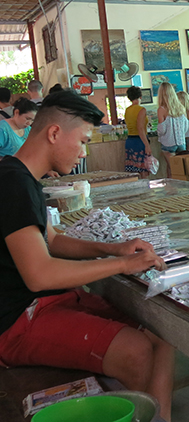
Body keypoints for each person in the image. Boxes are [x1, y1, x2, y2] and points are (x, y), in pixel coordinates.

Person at [0, 90, 174, 419]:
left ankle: (158, 417)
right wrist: (122, 263)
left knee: (163, 330)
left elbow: (51, 239)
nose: (83, 152)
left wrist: (113, 248)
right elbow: (39, 275)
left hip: (47, 304)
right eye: (82, 141)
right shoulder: (12, 184)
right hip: (17, 320)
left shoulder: (25, 179)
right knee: (136, 351)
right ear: (54, 133)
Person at [156, 82, 189, 178]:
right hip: (181, 142)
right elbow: (186, 127)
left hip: (168, 143)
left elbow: (162, 130)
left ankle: (171, 186)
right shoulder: (181, 107)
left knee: (171, 169)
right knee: (180, 169)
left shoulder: (161, 109)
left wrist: (158, 132)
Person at [124, 86, 151, 178]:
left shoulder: (127, 110)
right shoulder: (141, 110)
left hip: (130, 140)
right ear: (140, 96)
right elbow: (140, 128)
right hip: (140, 141)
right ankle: (145, 187)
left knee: (133, 170)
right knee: (144, 169)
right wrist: (147, 145)